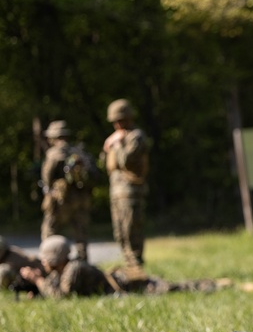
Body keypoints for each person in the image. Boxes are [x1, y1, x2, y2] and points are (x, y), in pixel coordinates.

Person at [16, 235, 232, 298]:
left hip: (126, 286)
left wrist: (37, 280)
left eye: (45, 258)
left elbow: (62, 297)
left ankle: (213, 285)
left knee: (171, 288)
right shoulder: (64, 270)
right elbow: (54, 289)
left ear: (56, 258)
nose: (42, 262)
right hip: (119, 287)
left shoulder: (73, 270)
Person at [102, 99, 150, 267]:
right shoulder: (118, 138)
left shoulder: (136, 137)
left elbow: (126, 161)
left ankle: (136, 265)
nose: (117, 124)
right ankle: (129, 264)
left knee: (132, 230)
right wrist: (109, 145)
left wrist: (118, 143)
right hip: (116, 192)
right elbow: (107, 163)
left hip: (131, 192)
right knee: (119, 232)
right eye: (115, 121)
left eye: (120, 120)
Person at [40, 120, 96, 262]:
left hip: (61, 200)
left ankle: (49, 263)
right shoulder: (77, 152)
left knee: (49, 231)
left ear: (53, 137)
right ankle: (83, 265)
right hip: (80, 200)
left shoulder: (54, 153)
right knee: (80, 235)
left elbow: (47, 176)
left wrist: (49, 192)